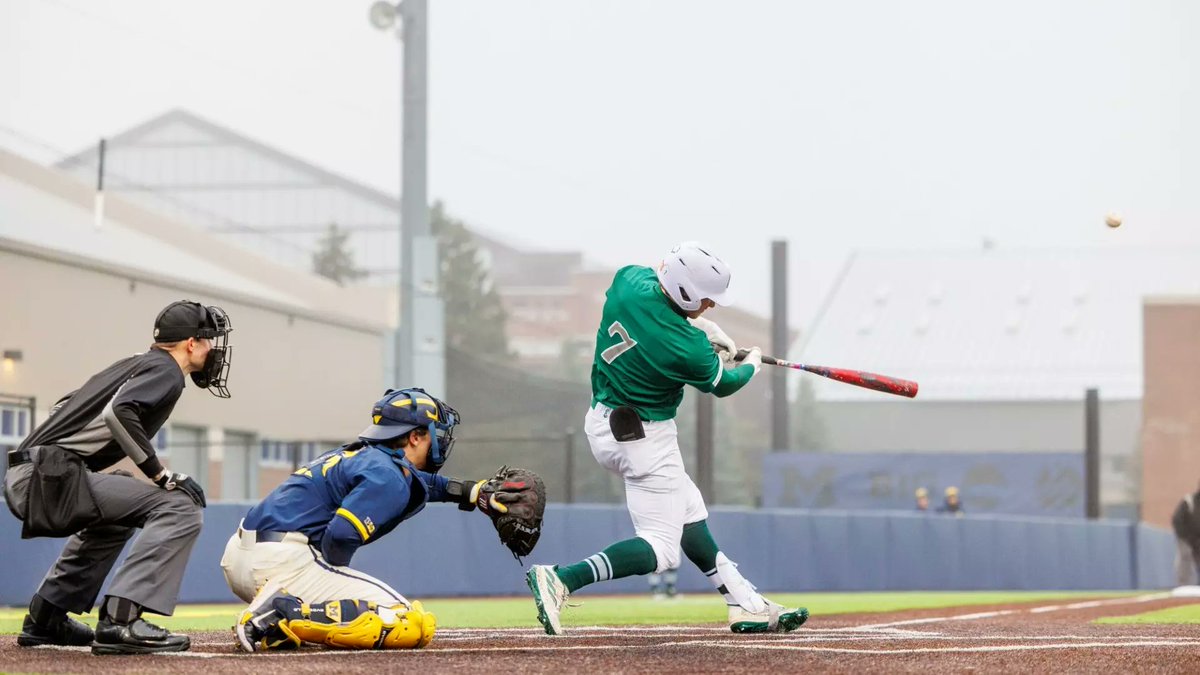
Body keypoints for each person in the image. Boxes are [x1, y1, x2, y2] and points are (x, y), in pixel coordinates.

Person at [525, 242, 807, 635]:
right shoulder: (687, 348)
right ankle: (563, 578)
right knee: (661, 549)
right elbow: (724, 384)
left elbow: (660, 317)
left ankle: (745, 603)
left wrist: (703, 332)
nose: (710, 306)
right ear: (686, 291)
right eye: (706, 299)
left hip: (603, 420)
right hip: (644, 438)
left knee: (690, 512)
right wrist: (752, 364)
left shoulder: (628, 281)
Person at [3, 300, 232, 654]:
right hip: (47, 475)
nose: (213, 348)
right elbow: (119, 412)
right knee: (180, 505)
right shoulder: (167, 370)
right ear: (191, 343)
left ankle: (46, 617)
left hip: (37, 471)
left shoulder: (137, 363)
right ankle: (121, 620)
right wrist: (161, 475)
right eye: (208, 340)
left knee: (119, 512)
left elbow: (66, 406)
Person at [222, 387, 522, 652]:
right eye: (435, 433)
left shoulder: (362, 456)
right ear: (415, 437)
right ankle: (280, 611)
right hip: (283, 564)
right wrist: (332, 579)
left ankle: (283, 619)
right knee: (409, 621)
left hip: (243, 556)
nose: (439, 441)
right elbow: (340, 536)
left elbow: (417, 483)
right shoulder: (388, 474)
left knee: (354, 611)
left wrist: (472, 492)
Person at [1171, 481, 1200, 587]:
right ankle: (1183, 586)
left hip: (1198, 540)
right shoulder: (1189, 501)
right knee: (1185, 555)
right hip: (1186, 538)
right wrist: (1187, 537)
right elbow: (1177, 520)